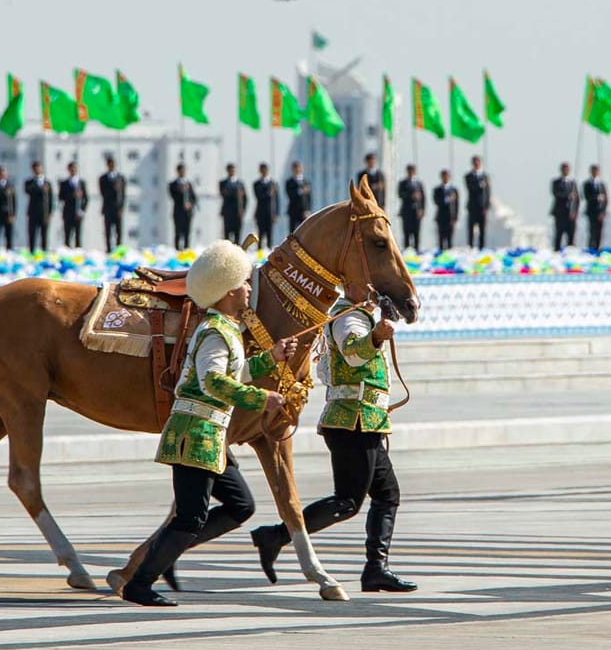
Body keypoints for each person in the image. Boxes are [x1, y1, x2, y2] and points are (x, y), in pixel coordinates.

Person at [121, 240, 296, 607]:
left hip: (211, 436)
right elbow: (212, 381)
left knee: (240, 505)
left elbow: (238, 371)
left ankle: (163, 557)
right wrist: (262, 399)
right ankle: (141, 581)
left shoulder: (227, 330)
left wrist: (272, 358)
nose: (250, 288)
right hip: (195, 434)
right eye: (245, 283)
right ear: (231, 291)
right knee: (190, 517)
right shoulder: (216, 332)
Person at [250, 280, 417, 594]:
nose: (374, 292)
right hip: (352, 423)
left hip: (365, 422)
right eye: (367, 286)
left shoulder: (358, 315)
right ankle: (276, 536)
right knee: (348, 501)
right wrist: (376, 337)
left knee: (387, 495)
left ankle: (376, 569)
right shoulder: (348, 318)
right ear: (352, 287)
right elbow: (354, 353)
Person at [24, 161, 53, 252]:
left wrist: (49, 213)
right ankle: (32, 251)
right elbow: (29, 191)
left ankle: (44, 251)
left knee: (44, 234)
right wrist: (40, 188)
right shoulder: (29, 182)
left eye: (38, 168)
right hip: (33, 212)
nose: (37, 170)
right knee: (32, 233)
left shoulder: (47, 183)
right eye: (35, 168)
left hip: (44, 212)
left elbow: (51, 199)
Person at [464, 155, 490, 248]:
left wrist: (486, 206)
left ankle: (481, 246)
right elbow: (471, 188)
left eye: (478, 162)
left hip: (482, 207)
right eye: (474, 162)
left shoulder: (485, 176)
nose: (476, 164)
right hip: (472, 206)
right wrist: (480, 185)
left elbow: (488, 192)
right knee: (471, 228)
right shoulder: (468, 176)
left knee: (482, 229)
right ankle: (470, 246)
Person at [59, 161, 87, 248]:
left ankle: (78, 252)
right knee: (67, 234)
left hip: (78, 212)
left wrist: (82, 210)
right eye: (71, 168)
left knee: (78, 234)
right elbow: (61, 197)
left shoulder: (81, 183)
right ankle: (67, 251)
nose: (73, 170)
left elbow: (86, 198)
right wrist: (72, 195)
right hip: (68, 212)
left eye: (74, 168)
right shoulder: (64, 183)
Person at [99, 157, 126, 251]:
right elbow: (103, 193)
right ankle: (108, 249)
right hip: (108, 207)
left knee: (119, 230)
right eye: (110, 164)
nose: (111, 166)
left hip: (118, 208)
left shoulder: (120, 177)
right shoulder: (103, 178)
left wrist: (122, 207)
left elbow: (123, 194)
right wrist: (113, 188)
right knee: (108, 230)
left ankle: (119, 249)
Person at [168, 163, 196, 251]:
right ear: (177, 171)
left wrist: (190, 204)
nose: (182, 172)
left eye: (184, 170)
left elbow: (194, 197)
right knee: (178, 231)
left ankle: (187, 249)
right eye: (181, 170)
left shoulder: (189, 184)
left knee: (187, 231)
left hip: (188, 212)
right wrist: (181, 190)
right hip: (178, 211)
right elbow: (173, 197)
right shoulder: (173, 184)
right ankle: (177, 249)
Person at [551, 162, 579, 250]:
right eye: (564, 169)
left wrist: (575, 211)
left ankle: (570, 250)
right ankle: (557, 249)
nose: (565, 171)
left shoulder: (572, 183)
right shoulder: (556, 182)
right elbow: (556, 193)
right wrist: (567, 195)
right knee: (559, 232)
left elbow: (577, 199)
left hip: (570, 213)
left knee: (571, 233)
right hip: (560, 212)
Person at [0, 166, 17, 250]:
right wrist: (4, 192)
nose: (3, 175)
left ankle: (9, 249)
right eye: (1, 173)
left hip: (8, 214)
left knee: (8, 234)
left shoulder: (10, 185)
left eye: (4, 173)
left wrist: (13, 214)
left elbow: (14, 201)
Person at [398, 164, 425, 250]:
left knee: (416, 232)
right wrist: (411, 195)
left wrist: (422, 209)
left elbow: (423, 197)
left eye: (413, 170)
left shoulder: (419, 183)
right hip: (406, 211)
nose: (411, 172)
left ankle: (417, 250)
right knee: (406, 232)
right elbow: (400, 194)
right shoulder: (403, 183)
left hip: (416, 212)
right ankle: (407, 250)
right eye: (410, 170)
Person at [253, 162, 279, 249]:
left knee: (270, 235)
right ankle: (259, 256)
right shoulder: (256, 184)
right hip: (260, 213)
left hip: (270, 213)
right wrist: (269, 193)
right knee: (260, 235)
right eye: (262, 170)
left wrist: (276, 213)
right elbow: (259, 196)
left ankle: (268, 255)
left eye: (265, 170)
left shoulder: (273, 183)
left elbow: (277, 200)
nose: (264, 172)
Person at [582, 164, 608, 251]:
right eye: (593, 171)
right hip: (591, 210)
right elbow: (586, 196)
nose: (595, 172)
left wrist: (603, 211)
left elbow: (606, 198)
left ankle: (598, 247)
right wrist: (596, 197)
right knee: (592, 230)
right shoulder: (587, 184)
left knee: (599, 231)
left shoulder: (601, 184)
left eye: (596, 171)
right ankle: (591, 247)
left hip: (600, 211)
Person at [219, 164, 246, 244]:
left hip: (237, 212)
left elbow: (245, 198)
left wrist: (243, 209)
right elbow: (224, 194)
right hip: (228, 211)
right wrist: (236, 193)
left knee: (237, 233)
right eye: (230, 170)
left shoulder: (240, 183)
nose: (232, 171)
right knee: (227, 233)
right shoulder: (223, 183)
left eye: (233, 170)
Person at [433, 169, 458, 250]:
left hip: (450, 217)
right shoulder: (437, 190)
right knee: (441, 237)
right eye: (444, 176)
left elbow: (457, 205)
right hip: (441, 216)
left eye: (447, 176)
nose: (445, 178)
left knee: (450, 237)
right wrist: (448, 199)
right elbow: (436, 201)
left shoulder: (454, 190)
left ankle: (449, 252)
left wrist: (455, 217)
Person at [285, 161, 311, 233]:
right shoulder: (289, 182)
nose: (297, 170)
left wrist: (308, 209)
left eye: (299, 168)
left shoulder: (306, 182)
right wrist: (301, 191)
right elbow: (290, 194)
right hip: (293, 210)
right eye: (295, 168)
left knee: (304, 231)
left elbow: (309, 198)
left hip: (303, 211)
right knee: (292, 231)